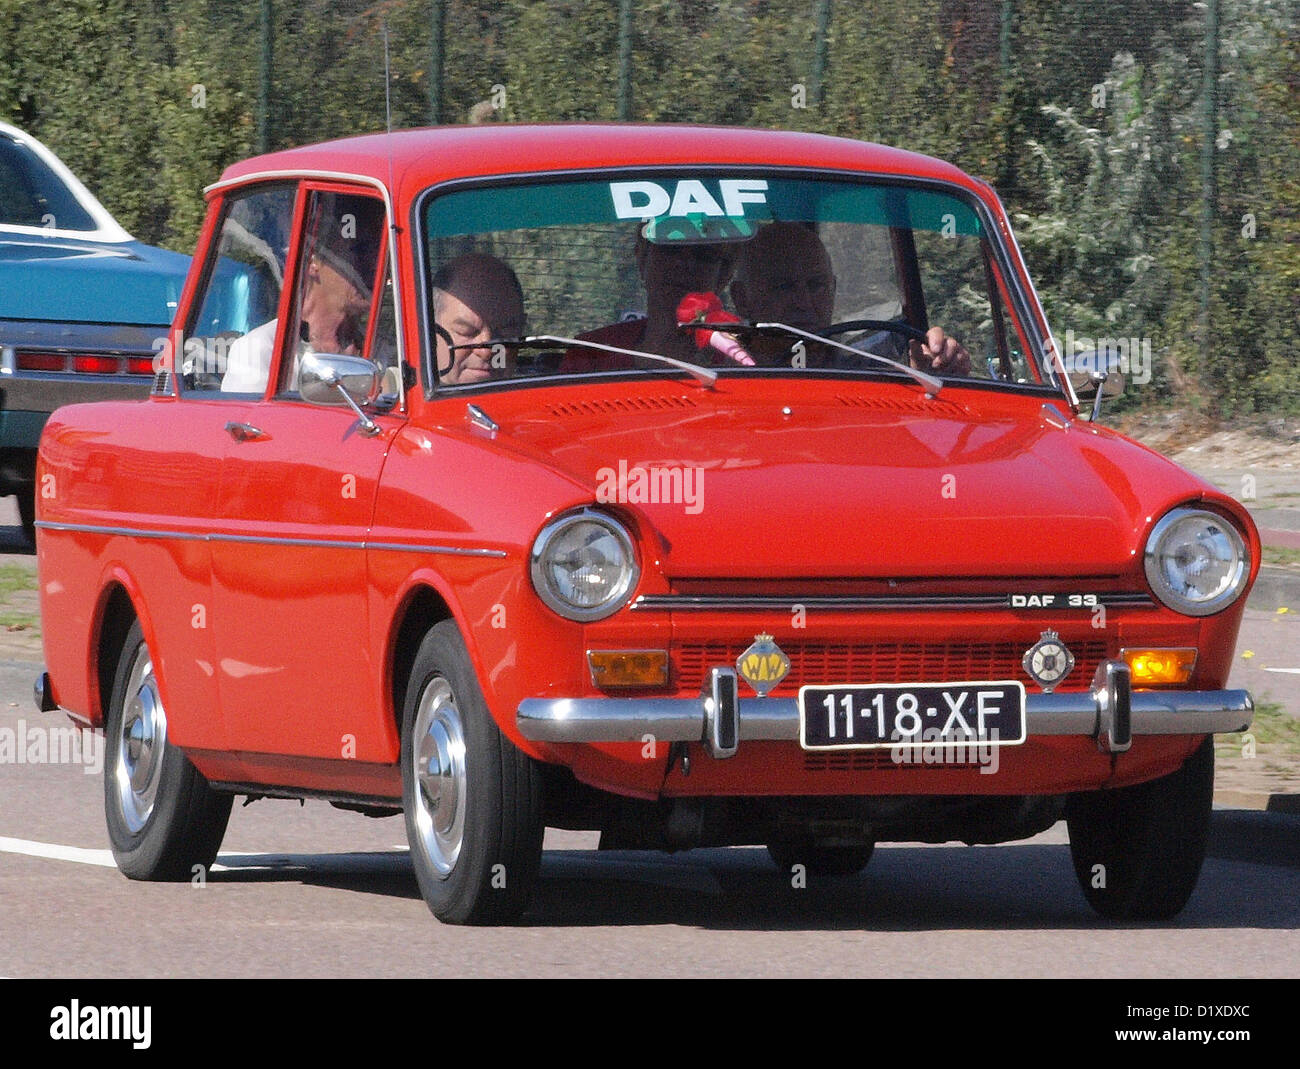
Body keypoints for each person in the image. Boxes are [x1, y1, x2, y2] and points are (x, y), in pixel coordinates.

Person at [730, 221, 971, 374]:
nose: (803, 302)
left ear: (833, 289)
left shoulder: (866, 366)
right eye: (783, 287)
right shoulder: (716, 368)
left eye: (816, 285)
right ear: (742, 299)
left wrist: (933, 367)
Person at [221, 199, 383, 393]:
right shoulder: (262, 350)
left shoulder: (381, 348)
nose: (375, 268)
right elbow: (253, 422)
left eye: (379, 256)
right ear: (312, 262)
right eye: (359, 253)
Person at [562, 229, 738, 371]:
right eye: (670, 249)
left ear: (724, 275)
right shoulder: (590, 356)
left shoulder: (740, 364)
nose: (683, 265)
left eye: (702, 255)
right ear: (642, 258)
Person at [431, 252, 526, 385]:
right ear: (430, 335)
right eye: (466, 331)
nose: (486, 351)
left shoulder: (545, 394)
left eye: (504, 331)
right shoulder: (404, 399)